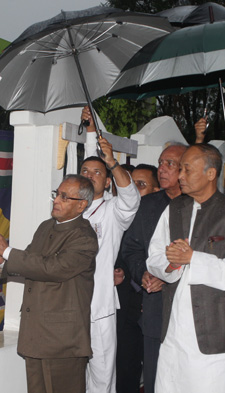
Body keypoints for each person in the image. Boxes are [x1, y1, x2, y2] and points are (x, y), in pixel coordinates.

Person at [147, 143, 225, 393]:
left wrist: (194, 258)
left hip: (219, 330)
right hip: (175, 328)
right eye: (181, 169)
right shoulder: (174, 209)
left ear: (211, 174)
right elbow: (154, 256)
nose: (180, 176)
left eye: (187, 169)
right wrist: (171, 264)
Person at [0, 174, 99, 393]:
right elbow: (30, 262)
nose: (56, 200)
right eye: (57, 194)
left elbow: (53, 268)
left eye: (65, 197)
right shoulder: (46, 227)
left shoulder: (84, 237)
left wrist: (7, 251)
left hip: (62, 341)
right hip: (36, 335)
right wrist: (1, 262)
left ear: (81, 205)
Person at [80, 107, 140, 393]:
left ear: (107, 182)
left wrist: (113, 163)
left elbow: (130, 198)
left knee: (102, 379)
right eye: (84, 172)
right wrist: (90, 130)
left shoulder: (114, 211)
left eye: (97, 173)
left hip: (99, 308)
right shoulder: (70, 209)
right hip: (69, 306)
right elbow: (88, 161)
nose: (90, 175)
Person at [121, 143, 187, 393]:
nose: (162, 168)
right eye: (160, 163)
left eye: (170, 163)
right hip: (154, 308)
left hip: (187, 307)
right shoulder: (147, 205)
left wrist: (168, 275)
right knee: (154, 377)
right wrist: (144, 274)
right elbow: (131, 248)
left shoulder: (199, 205)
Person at [114, 163, 158, 393]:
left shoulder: (165, 218)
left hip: (156, 304)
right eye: (130, 184)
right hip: (126, 305)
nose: (133, 189)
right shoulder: (119, 215)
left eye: (140, 185)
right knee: (125, 370)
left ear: (156, 191)